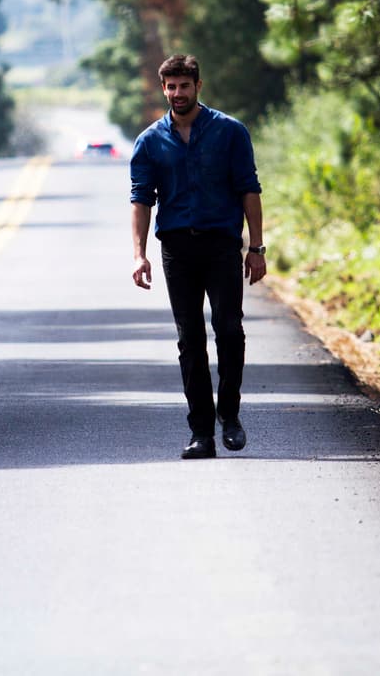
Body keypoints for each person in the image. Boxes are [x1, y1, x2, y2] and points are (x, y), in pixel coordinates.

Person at [129, 54, 266, 459]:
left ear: (198, 86)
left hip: (222, 245)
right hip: (177, 249)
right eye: (170, 87)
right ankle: (202, 432)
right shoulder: (150, 141)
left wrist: (256, 247)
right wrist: (139, 255)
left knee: (229, 331)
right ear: (163, 89)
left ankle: (230, 414)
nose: (177, 94)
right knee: (190, 340)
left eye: (183, 86)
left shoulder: (230, 132)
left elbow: (249, 190)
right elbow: (141, 200)